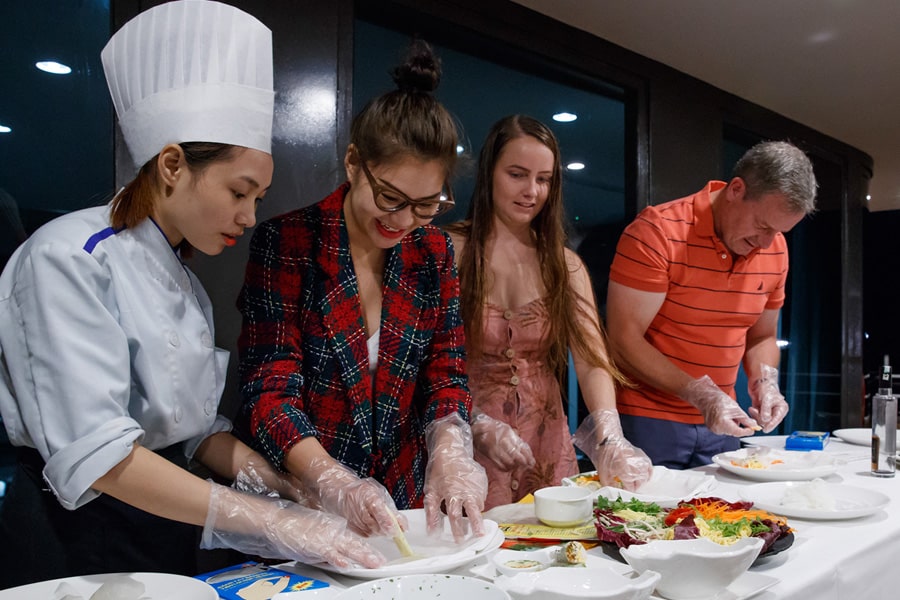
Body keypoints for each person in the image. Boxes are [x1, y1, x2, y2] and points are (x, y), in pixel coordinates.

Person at [0, 1, 382, 589]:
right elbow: (99, 456)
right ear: (173, 164)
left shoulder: (185, 282)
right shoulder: (68, 257)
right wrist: (271, 522)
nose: (251, 216)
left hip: (166, 525)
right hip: (75, 534)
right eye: (240, 191)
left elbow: (196, 434)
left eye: (259, 198)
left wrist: (292, 488)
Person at [236, 39, 487, 543]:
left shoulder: (432, 251)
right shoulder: (289, 243)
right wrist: (331, 479)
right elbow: (270, 388)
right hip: (303, 495)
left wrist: (451, 453)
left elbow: (445, 371)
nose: (402, 221)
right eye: (390, 197)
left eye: (425, 205)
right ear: (354, 163)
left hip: (404, 504)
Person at [444, 115, 652, 509]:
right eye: (517, 175)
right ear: (489, 173)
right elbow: (422, 361)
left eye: (544, 179)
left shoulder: (564, 264)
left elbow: (592, 361)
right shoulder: (449, 250)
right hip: (464, 441)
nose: (532, 192)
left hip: (546, 442)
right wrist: (472, 421)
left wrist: (609, 437)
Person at [606, 140, 817, 469]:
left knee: (722, 518)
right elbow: (622, 340)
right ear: (735, 189)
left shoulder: (774, 249)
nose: (765, 244)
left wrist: (766, 384)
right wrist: (699, 393)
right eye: (762, 226)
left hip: (724, 424)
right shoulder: (657, 232)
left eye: (779, 232)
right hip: (648, 419)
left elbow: (761, 336)